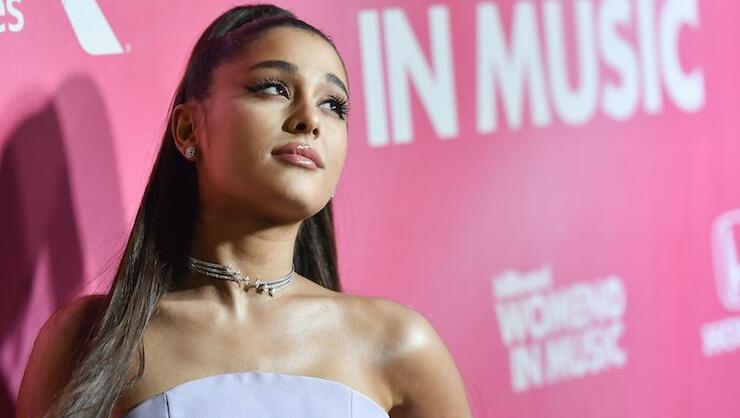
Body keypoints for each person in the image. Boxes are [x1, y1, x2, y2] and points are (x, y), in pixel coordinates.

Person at [15, 4, 472, 418]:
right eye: (274, 87)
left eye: (333, 104)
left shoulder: (401, 347)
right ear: (188, 129)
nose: (310, 119)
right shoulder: (89, 340)